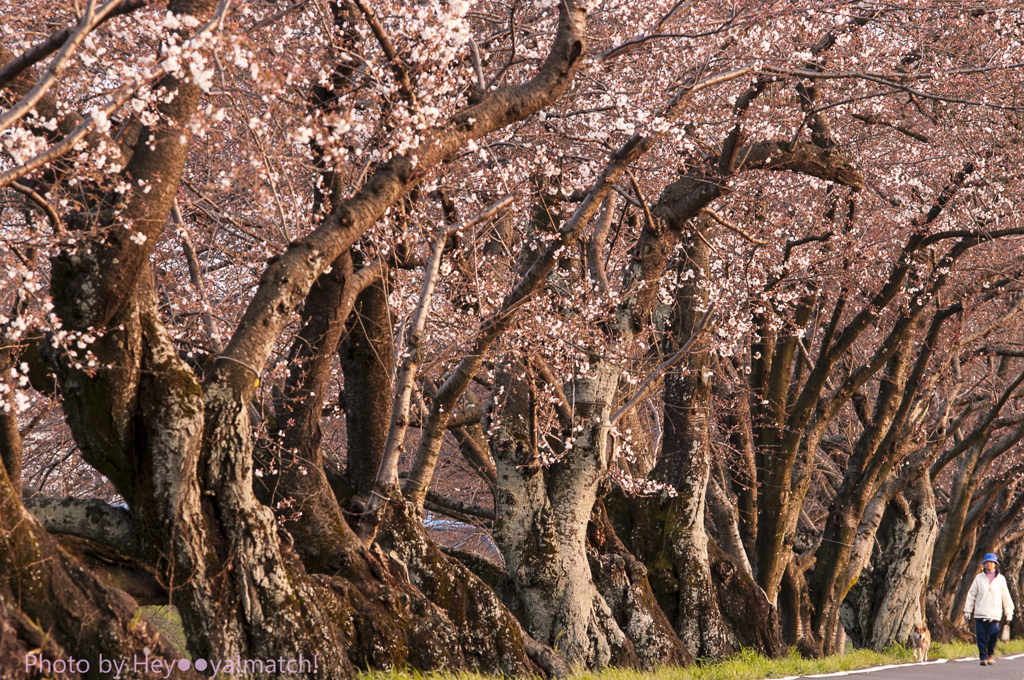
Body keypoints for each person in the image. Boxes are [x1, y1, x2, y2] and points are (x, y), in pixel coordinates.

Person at [964, 552, 1015, 666]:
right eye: (987, 562)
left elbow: (1006, 596)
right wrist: (968, 611)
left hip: (995, 613)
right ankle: (983, 657)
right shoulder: (979, 578)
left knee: (993, 634)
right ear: (984, 564)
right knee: (981, 636)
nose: (989, 565)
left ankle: (990, 654)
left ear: (995, 564)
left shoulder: (1001, 579)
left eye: (991, 562)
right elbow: (971, 594)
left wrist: (1009, 612)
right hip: (980, 613)